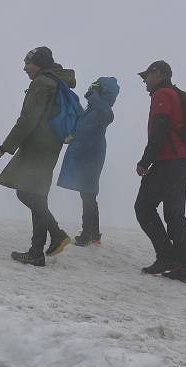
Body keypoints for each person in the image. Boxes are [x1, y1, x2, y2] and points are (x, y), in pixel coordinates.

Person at [0, 46, 74, 267]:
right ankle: (43, 246)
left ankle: (49, 241)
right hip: (51, 145)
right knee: (35, 195)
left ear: (38, 64)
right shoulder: (57, 81)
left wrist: (6, 146)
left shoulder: (41, 83)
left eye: (28, 63)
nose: (25, 68)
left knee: (29, 194)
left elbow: (28, 119)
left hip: (39, 145)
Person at [135, 60, 186, 283]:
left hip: (170, 162)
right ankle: (185, 268)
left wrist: (145, 162)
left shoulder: (163, 94)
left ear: (159, 74)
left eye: (147, 76)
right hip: (184, 162)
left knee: (143, 207)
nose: (144, 80)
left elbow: (159, 131)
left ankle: (167, 257)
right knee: (174, 214)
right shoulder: (172, 94)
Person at [57, 77, 120, 246]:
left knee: (88, 194)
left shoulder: (102, 109)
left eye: (94, 89)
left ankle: (89, 234)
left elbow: (108, 115)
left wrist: (93, 97)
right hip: (87, 155)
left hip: (91, 156)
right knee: (87, 194)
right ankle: (92, 233)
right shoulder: (93, 109)